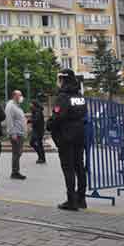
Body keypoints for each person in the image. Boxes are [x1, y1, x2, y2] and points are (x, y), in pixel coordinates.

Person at [48, 69, 87, 211]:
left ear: (63, 80)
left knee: (68, 168)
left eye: (59, 79)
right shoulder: (79, 95)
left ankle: (71, 201)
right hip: (79, 134)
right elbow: (84, 112)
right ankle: (81, 199)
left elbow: (58, 116)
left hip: (66, 135)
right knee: (79, 167)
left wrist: (49, 125)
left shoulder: (63, 97)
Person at [5, 90, 27, 180]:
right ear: (14, 96)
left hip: (20, 133)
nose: (21, 97)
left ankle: (15, 171)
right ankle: (15, 172)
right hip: (16, 134)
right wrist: (12, 133)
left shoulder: (16, 106)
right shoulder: (10, 106)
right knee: (16, 153)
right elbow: (9, 120)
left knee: (18, 153)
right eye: (20, 95)